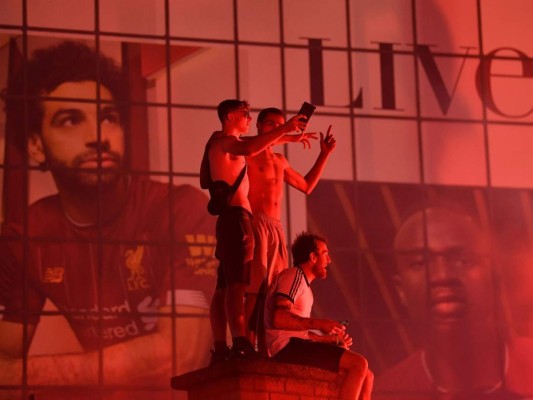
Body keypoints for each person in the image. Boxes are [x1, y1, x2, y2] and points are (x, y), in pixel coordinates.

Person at [0, 41, 217, 400]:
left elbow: (181, 357)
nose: (98, 137)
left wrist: (23, 375)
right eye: (71, 119)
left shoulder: (180, 209)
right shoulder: (26, 236)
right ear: (36, 144)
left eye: (108, 118)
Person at [374, 207, 531, 399]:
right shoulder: (386, 392)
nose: (442, 276)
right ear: (400, 289)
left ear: (494, 278)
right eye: (420, 263)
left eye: (463, 261)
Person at [199, 99, 307, 360]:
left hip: (232, 220)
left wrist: (288, 138)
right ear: (228, 116)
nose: (248, 118)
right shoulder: (227, 142)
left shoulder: (218, 142)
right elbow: (249, 147)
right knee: (237, 286)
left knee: (225, 286)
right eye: (244, 114)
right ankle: (240, 342)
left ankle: (222, 346)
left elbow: (254, 146)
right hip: (237, 219)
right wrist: (286, 130)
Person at [245, 107, 336, 353]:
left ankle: (264, 347)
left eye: (280, 123)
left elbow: (306, 186)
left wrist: (324, 155)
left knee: (271, 290)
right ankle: (245, 343)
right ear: (259, 126)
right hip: (257, 222)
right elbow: (251, 144)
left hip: (276, 227)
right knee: (255, 287)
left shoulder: (280, 161)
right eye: (270, 124)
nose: (276, 128)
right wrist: (288, 134)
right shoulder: (249, 151)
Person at [264, 232, 374, 400]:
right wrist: (320, 323)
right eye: (325, 253)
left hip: (296, 345)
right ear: (313, 257)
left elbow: (299, 332)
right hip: (287, 349)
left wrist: (328, 340)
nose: (329, 260)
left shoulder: (306, 288)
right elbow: (279, 319)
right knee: (358, 364)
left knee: (368, 375)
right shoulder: (294, 276)